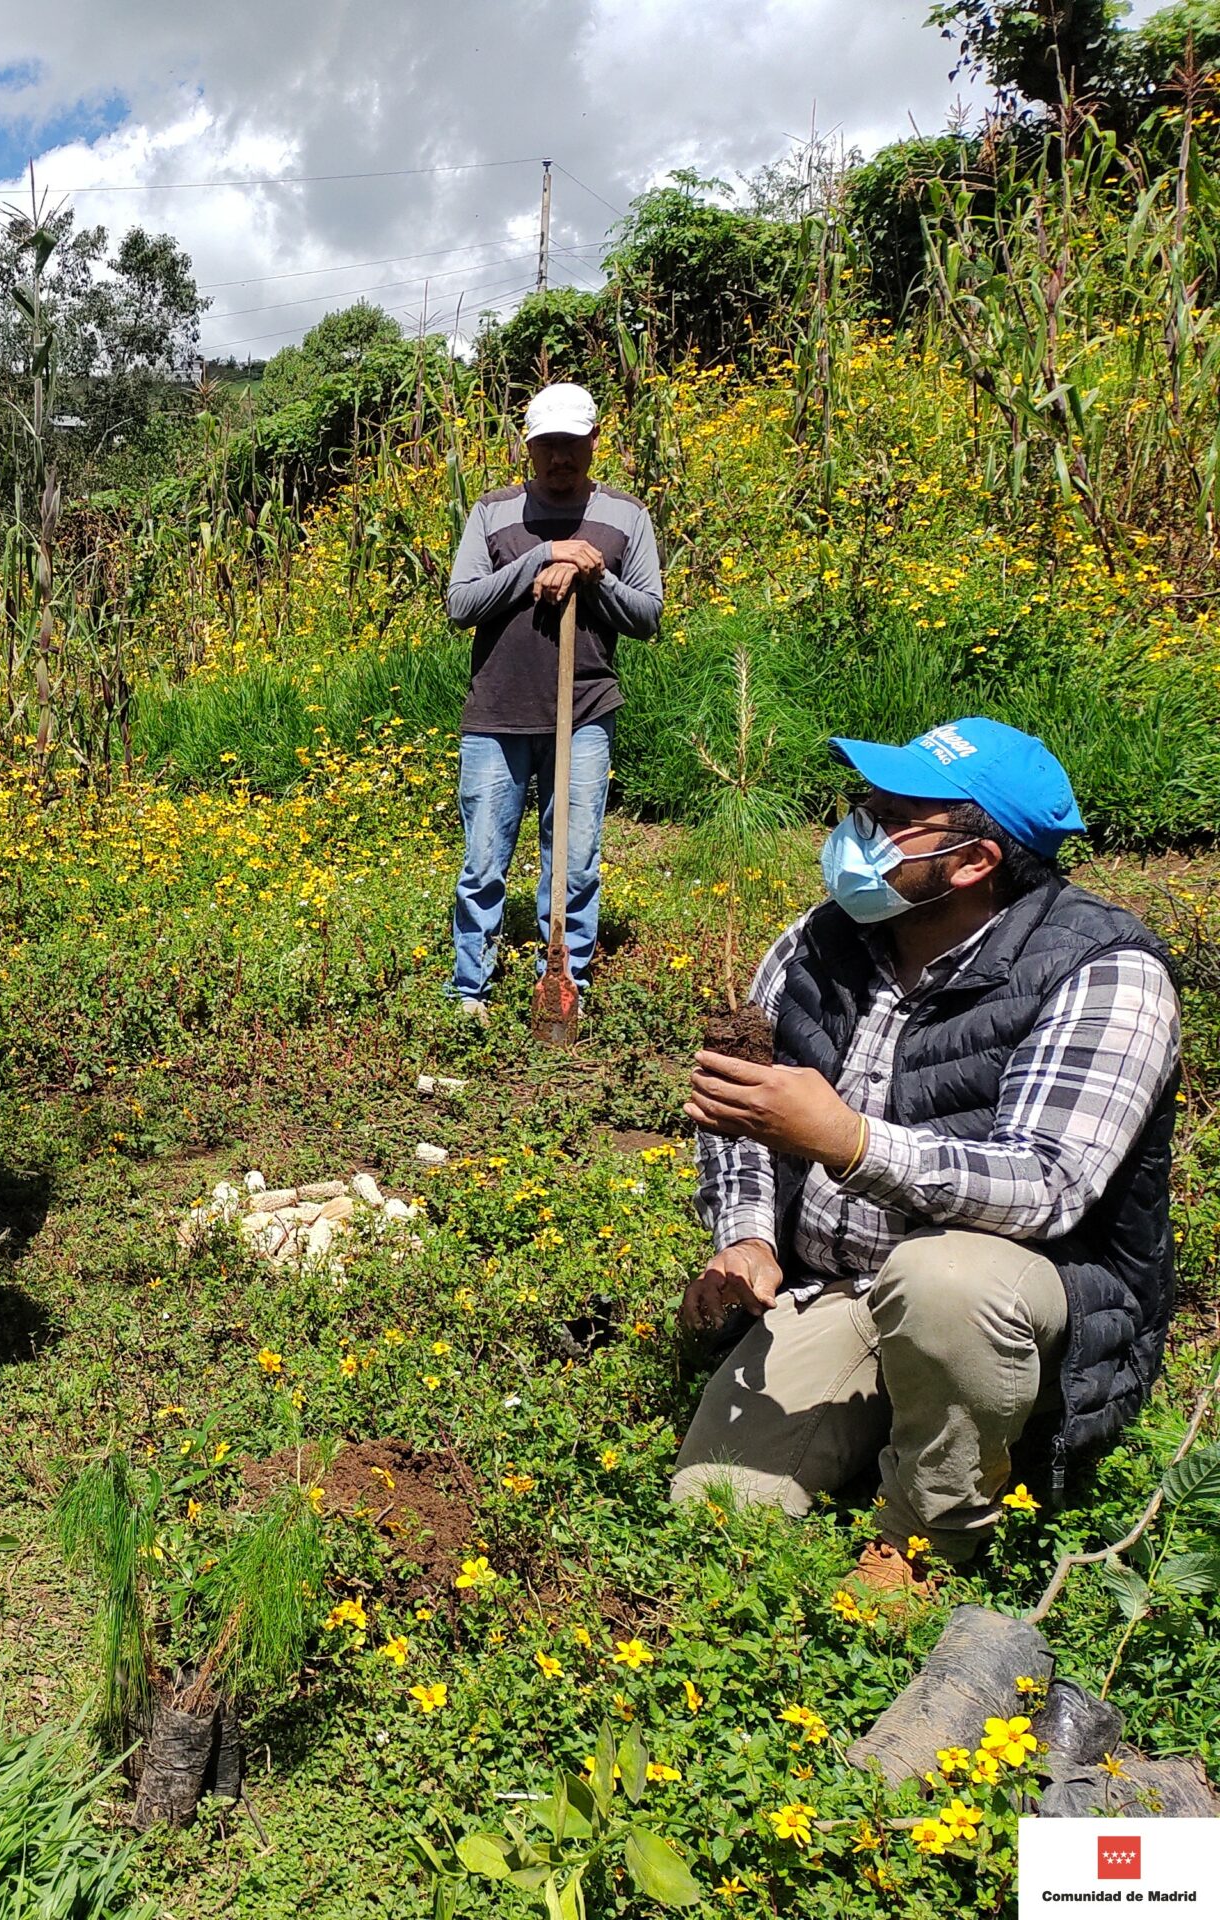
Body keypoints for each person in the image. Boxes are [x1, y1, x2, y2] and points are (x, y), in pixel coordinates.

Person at [674, 719, 1178, 1592]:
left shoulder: (1103, 972)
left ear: (976, 859)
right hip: (843, 1286)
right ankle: (902, 1414)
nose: (857, 829)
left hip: (1012, 1302)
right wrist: (751, 1236)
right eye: (861, 804)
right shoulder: (819, 942)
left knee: (944, 1285)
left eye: (892, 814)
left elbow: (1049, 1185)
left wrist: (850, 1142)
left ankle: (924, 1541)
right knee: (716, 1508)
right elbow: (738, 1112)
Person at [442, 382, 663, 1013]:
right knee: (483, 859)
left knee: (574, 859)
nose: (559, 458)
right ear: (528, 447)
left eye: (572, 445)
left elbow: (647, 617)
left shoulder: (626, 516)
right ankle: (469, 993)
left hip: (585, 711)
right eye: (547, 446)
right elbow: (461, 605)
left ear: (594, 442)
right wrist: (544, 553)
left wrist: (593, 575)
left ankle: (566, 984)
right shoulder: (492, 512)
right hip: (498, 711)